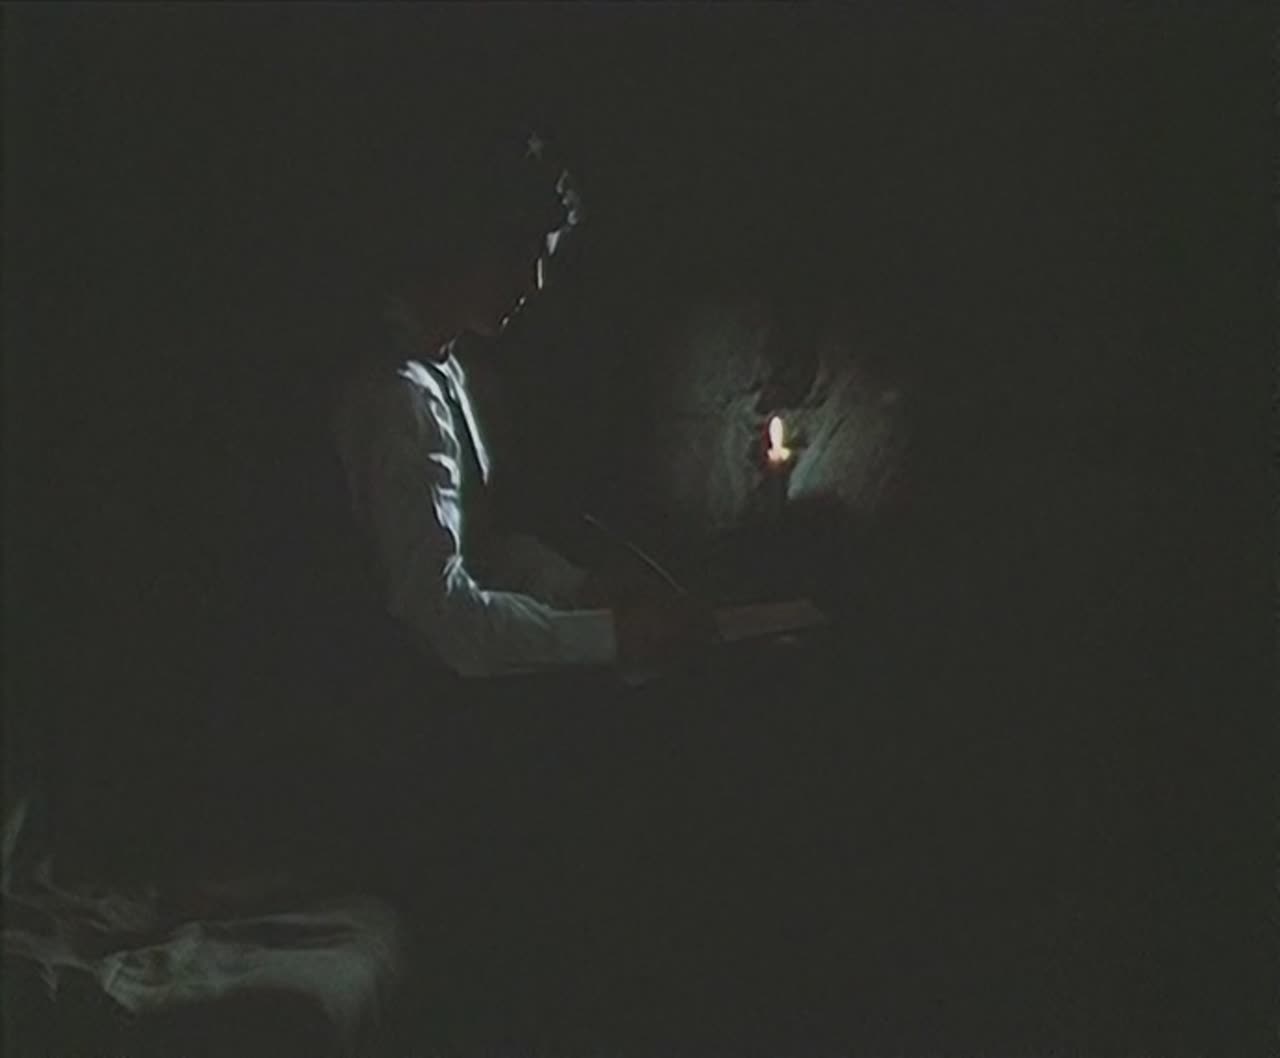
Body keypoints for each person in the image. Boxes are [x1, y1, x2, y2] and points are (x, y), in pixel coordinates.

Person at [331, 132, 716, 682]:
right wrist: (613, 636)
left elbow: (477, 552)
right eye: (519, 254)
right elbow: (440, 617)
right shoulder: (394, 396)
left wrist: (578, 589)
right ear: (463, 244)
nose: (534, 283)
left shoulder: (445, 370)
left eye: (541, 258)